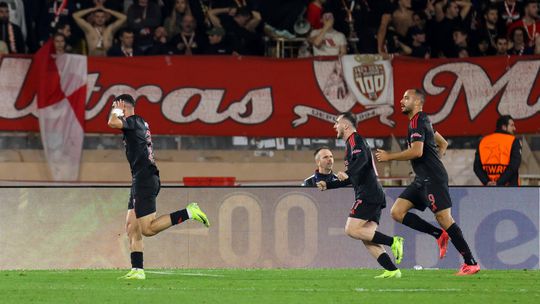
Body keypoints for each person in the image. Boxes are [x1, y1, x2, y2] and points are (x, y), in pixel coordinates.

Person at [375, 89, 480, 276]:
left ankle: (470, 263)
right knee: (397, 212)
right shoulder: (424, 121)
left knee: (445, 219)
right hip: (423, 178)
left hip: (432, 179)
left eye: (406, 97)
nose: (401, 100)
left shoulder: (417, 121)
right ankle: (438, 234)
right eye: (402, 97)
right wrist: (431, 163)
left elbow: (417, 152)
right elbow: (443, 144)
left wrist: (389, 156)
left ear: (418, 102)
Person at [108, 94, 210, 280]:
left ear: (124, 107)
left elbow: (112, 123)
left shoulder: (134, 120)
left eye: (117, 107)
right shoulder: (138, 123)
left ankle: (189, 212)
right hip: (140, 178)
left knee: (147, 229)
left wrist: (116, 109)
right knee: (132, 226)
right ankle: (138, 270)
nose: (115, 111)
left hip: (145, 179)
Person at [317, 112, 403, 279]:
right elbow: (352, 177)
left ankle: (394, 241)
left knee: (351, 229)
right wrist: (328, 184)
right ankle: (393, 270)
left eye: (336, 122)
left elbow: (362, 160)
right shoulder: (351, 144)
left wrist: (349, 172)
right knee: (366, 236)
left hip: (369, 194)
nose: (334, 126)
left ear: (346, 126)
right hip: (373, 194)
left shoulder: (355, 139)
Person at [474, 115, 521, 186]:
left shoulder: (483, 141)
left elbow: (476, 167)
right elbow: (514, 165)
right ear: (504, 127)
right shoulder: (513, 141)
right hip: (510, 189)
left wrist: (487, 182)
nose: (514, 128)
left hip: (488, 189)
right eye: (512, 125)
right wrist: (498, 183)